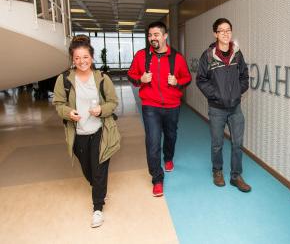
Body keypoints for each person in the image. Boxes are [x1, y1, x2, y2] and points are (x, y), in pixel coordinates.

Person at [53, 35, 120, 228]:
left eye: (85, 57)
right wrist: (68, 112)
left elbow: (113, 102)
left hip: (100, 131)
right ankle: (99, 188)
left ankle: (97, 207)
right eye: (77, 58)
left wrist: (101, 110)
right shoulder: (64, 80)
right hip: (78, 134)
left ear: (92, 57)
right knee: (88, 170)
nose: (82, 61)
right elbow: (58, 104)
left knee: (98, 169)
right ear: (72, 60)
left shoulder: (102, 78)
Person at [128, 21, 191, 197]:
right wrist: (141, 79)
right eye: (150, 35)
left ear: (165, 36)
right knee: (153, 141)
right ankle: (157, 178)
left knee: (171, 136)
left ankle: (169, 158)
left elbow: (187, 78)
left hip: (172, 106)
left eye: (156, 35)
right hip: (150, 106)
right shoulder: (141, 56)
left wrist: (177, 82)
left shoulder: (177, 58)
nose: (152, 38)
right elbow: (131, 75)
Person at [196, 18, 251, 193]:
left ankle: (236, 176)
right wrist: (216, 96)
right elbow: (201, 80)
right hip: (217, 109)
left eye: (228, 30)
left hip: (235, 108)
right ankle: (217, 171)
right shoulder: (208, 55)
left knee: (237, 143)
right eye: (222, 30)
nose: (226, 33)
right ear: (215, 34)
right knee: (217, 143)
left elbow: (244, 76)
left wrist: (237, 92)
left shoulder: (237, 53)